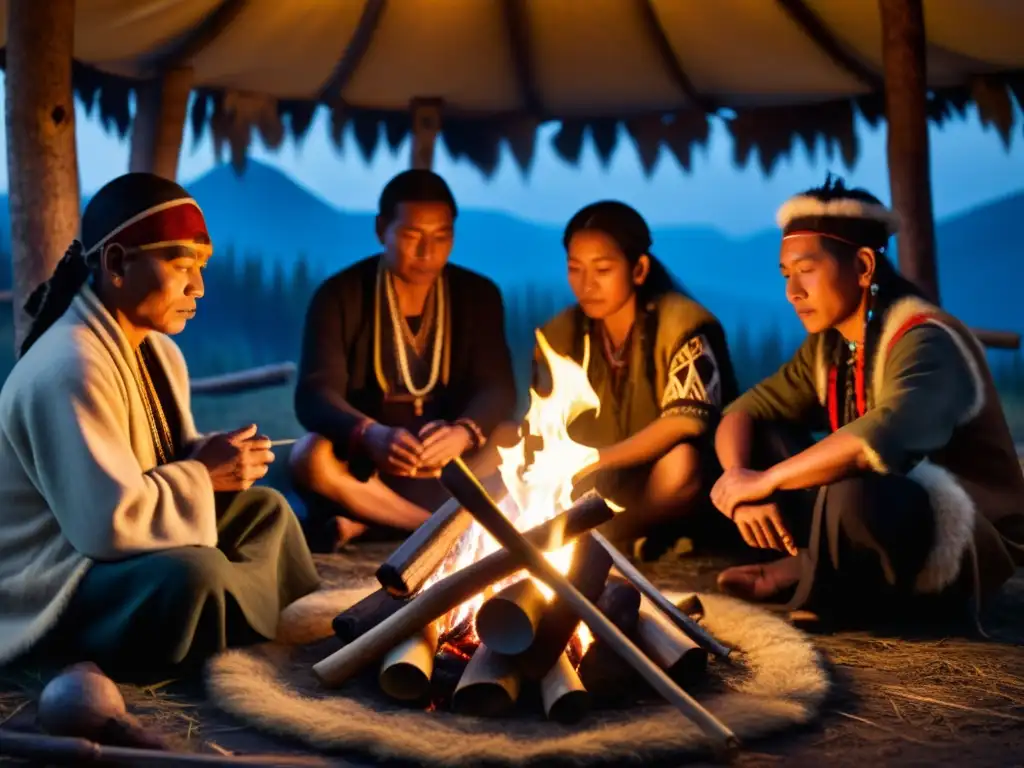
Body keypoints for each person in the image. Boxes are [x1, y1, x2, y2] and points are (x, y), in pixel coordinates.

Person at [0, 173, 321, 683]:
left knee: (268, 512)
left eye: (202, 267)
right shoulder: (70, 366)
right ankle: (239, 632)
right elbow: (105, 525)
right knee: (195, 574)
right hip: (58, 574)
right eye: (180, 265)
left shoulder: (159, 351)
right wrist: (202, 475)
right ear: (116, 264)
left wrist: (214, 457)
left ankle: (243, 625)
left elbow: (163, 459)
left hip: (116, 541)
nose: (199, 287)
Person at [711, 176, 1024, 627]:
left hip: (961, 536)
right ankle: (814, 569)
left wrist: (767, 481)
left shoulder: (925, 338)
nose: (793, 292)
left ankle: (838, 591)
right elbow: (742, 412)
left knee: (852, 485)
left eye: (807, 270)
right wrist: (739, 479)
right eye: (786, 275)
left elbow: (877, 441)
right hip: (878, 512)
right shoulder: (829, 347)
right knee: (765, 435)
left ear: (862, 267)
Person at [290, 170, 518, 552]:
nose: (428, 253)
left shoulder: (478, 295)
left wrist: (463, 432)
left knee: (519, 439)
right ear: (382, 229)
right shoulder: (340, 295)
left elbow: (497, 386)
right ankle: (443, 531)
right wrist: (370, 435)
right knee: (309, 457)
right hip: (372, 470)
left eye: (442, 237)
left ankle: (368, 525)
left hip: (453, 466)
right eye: (412, 236)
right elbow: (315, 393)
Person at [542, 201, 739, 558]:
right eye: (575, 269)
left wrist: (598, 457)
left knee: (681, 465)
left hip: (662, 480)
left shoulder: (684, 326)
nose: (587, 284)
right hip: (596, 478)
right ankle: (601, 535)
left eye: (602, 269)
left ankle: (619, 535)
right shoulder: (560, 335)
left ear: (638, 269)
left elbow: (686, 422)